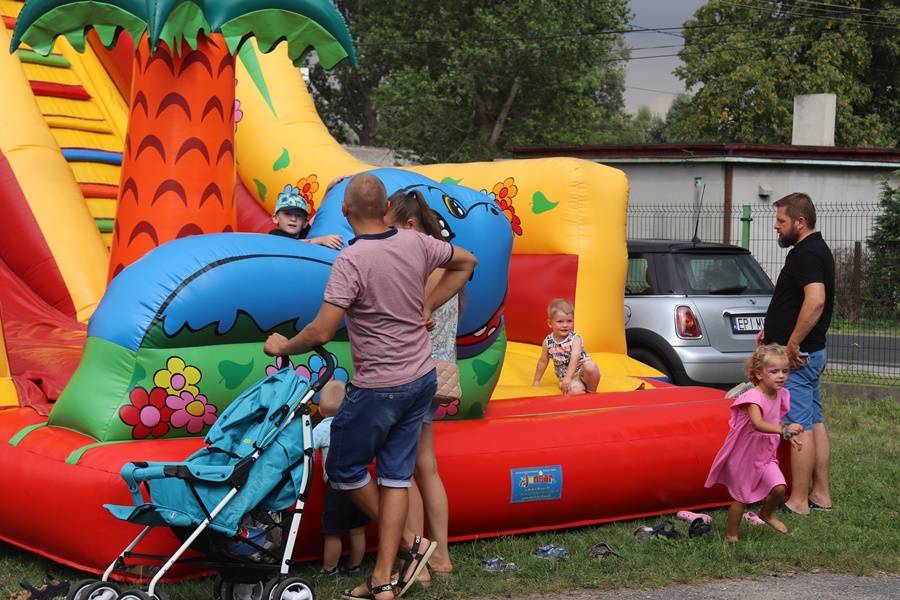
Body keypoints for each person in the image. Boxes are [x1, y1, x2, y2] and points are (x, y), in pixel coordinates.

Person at [263, 173, 477, 600]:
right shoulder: (416, 243)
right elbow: (467, 261)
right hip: (419, 379)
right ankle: (383, 579)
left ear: (344, 212)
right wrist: (427, 305)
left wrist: (283, 345)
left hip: (380, 385)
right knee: (396, 476)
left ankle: (413, 546)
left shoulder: (351, 260)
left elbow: (322, 331)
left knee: (344, 470)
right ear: (385, 209)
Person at [384, 189, 456, 581]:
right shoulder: (446, 260)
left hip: (413, 372)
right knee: (425, 465)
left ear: (410, 226)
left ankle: (417, 558)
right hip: (437, 372)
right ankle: (440, 553)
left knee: (403, 468)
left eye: (391, 228)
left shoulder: (424, 263)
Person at [756, 192, 835, 515]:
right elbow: (794, 300)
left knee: (798, 425)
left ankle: (799, 501)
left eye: (781, 221)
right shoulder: (814, 250)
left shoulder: (807, 254)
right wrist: (770, 329)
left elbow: (815, 300)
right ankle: (821, 494)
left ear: (800, 222)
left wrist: (790, 345)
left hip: (799, 358)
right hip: (810, 353)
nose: (776, 226)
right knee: (814, 420)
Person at [705, 344, 804, 542]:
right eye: (774, 371)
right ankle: (731, 535)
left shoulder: (780, 394)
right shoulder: (753, 397)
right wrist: (783, 430)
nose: (781, 376)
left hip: (766, 455)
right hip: (746, 457)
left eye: (785, 371)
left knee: (779, 488)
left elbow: (775, 421)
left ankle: (766, 514)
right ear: (759, 374)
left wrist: (788, 434)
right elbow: (758, 424)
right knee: (740, 498)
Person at [312, 385, 369, 578]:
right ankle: (354, 566)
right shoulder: (358, 426)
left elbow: (306, 449)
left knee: (333, 532)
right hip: (362, 484)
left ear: (320, 410)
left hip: (337, 487)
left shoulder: (322, 428)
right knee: (357, 530)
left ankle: (330, 569)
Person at [532, 299, 601, 394]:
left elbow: (574, 358)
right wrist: (536, 381)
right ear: (550, 323)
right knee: (574, 392)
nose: (565, 325)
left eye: (569, 321)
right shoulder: (547, 342)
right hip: (568, 379)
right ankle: (580, 390)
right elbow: (543, 362)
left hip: (582, 372)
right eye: (560, 321)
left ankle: (591, 391)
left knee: (591, 366)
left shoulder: (575, 339)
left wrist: (568, 377)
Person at [270, 187, 343, 249]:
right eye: (287, 214)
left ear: (305, 223)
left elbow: (317, 216)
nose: (293, 219)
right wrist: (321, 240)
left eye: (298, 215)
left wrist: (329, 191)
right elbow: (293, 244)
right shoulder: (275, 234)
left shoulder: (302, 232)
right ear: (275, 218)